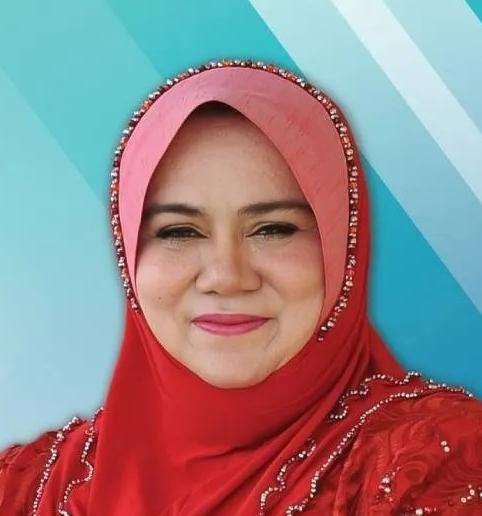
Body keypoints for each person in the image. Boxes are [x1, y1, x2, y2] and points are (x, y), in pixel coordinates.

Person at [1, 58, 481, 515]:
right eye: (179, 232)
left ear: (342, 250)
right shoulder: (27, 488)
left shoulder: (434, 465)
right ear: (129, 255)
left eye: (273, 229)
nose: (226, 276)